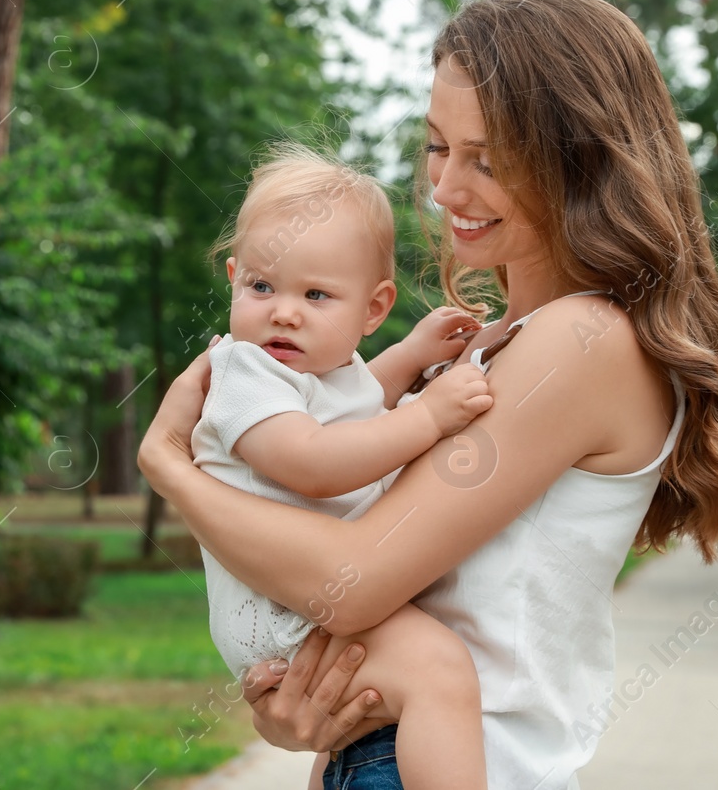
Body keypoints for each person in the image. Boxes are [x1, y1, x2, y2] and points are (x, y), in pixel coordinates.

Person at [140, 0, 718, 789]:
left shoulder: (587, 339)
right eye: (438, 146)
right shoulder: (500, 345)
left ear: (580, 160)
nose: (444, 188)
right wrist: (296, 703)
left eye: (488, 160)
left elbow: (350, 578)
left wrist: (172, 471)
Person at [193, 142, 497, 790]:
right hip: (285, 613)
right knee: (439, 671)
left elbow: (356, 406)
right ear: (232, 277)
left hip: (313, 599)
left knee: (367, 728)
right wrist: (429, 416)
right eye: (261, 284)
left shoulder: (321, 372)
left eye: (317, 294)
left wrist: (413, 354)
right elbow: (313, 463)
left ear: (374, 310)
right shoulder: (244, 370)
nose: (284, 309)